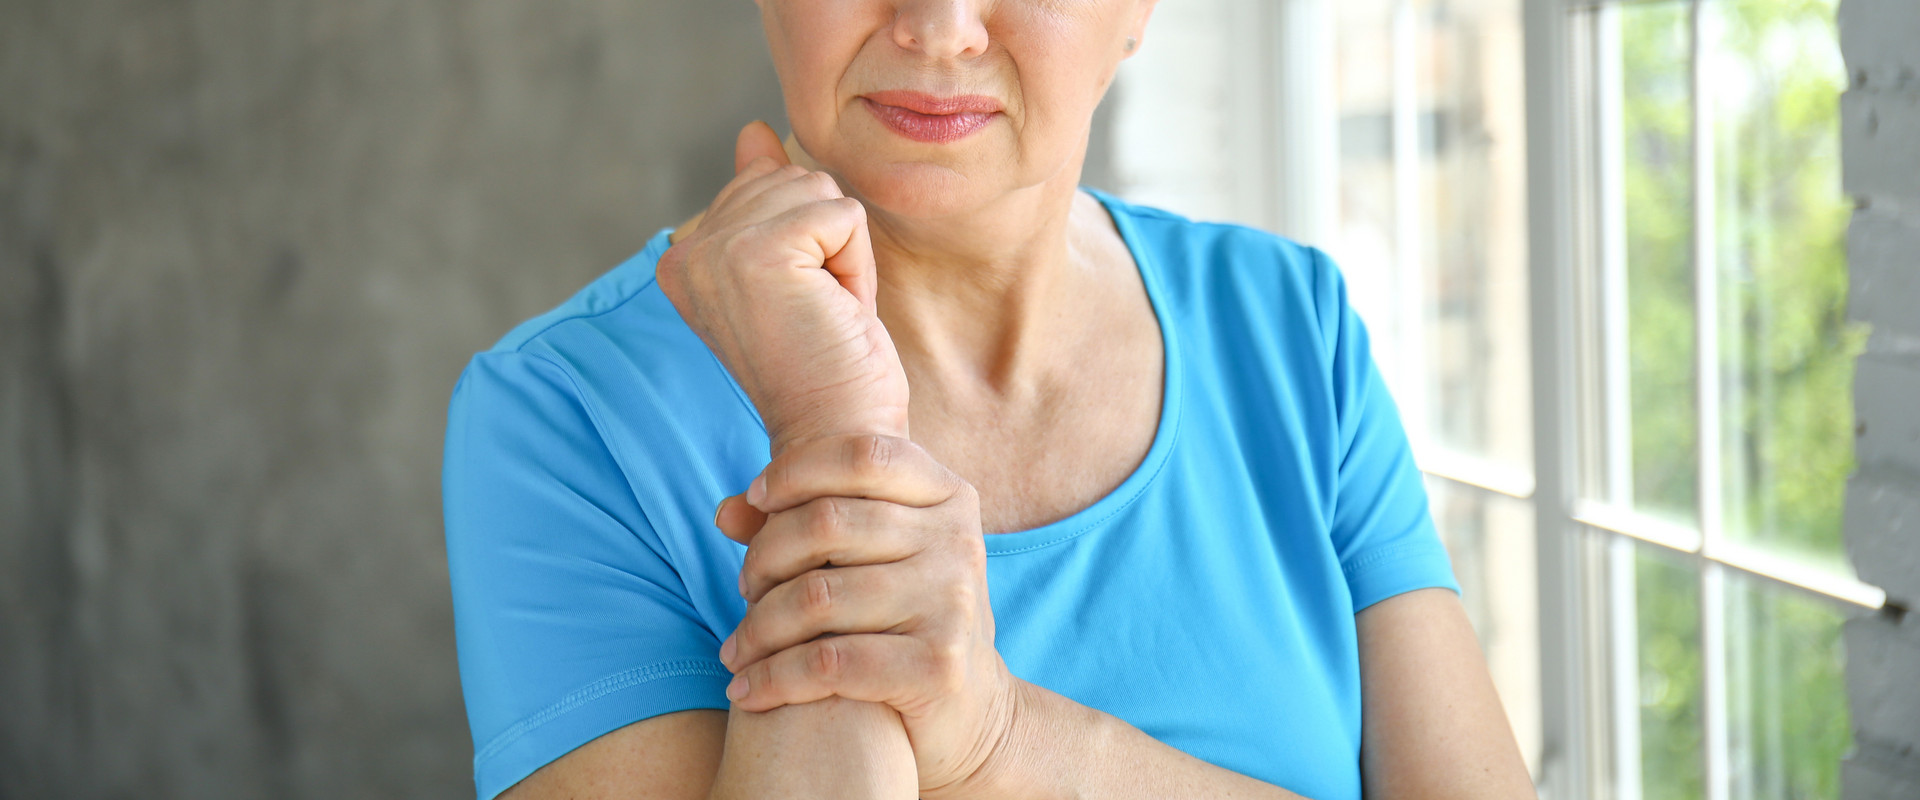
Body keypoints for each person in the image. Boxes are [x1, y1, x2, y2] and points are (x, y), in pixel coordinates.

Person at [440, 0, 1537, 798]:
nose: (940, 24)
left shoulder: (1290, 324)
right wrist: (836, 430)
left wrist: (1001, 738)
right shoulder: (562, 417)